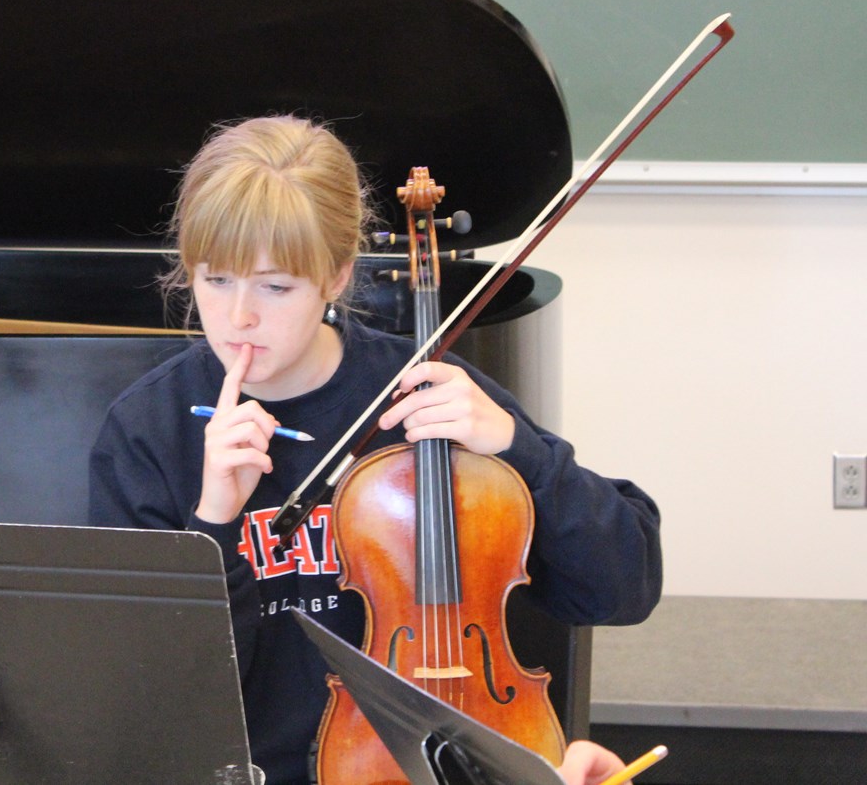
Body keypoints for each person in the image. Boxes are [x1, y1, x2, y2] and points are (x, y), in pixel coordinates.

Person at [87, 115, 662, 785]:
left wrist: (520, 450)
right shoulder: (148, 430)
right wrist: (213, 522)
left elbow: (624, 589)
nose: (239, 316)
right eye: (216, 280)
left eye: (275, 286)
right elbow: (150, 699)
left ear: (336, 276)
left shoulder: (423, 393)